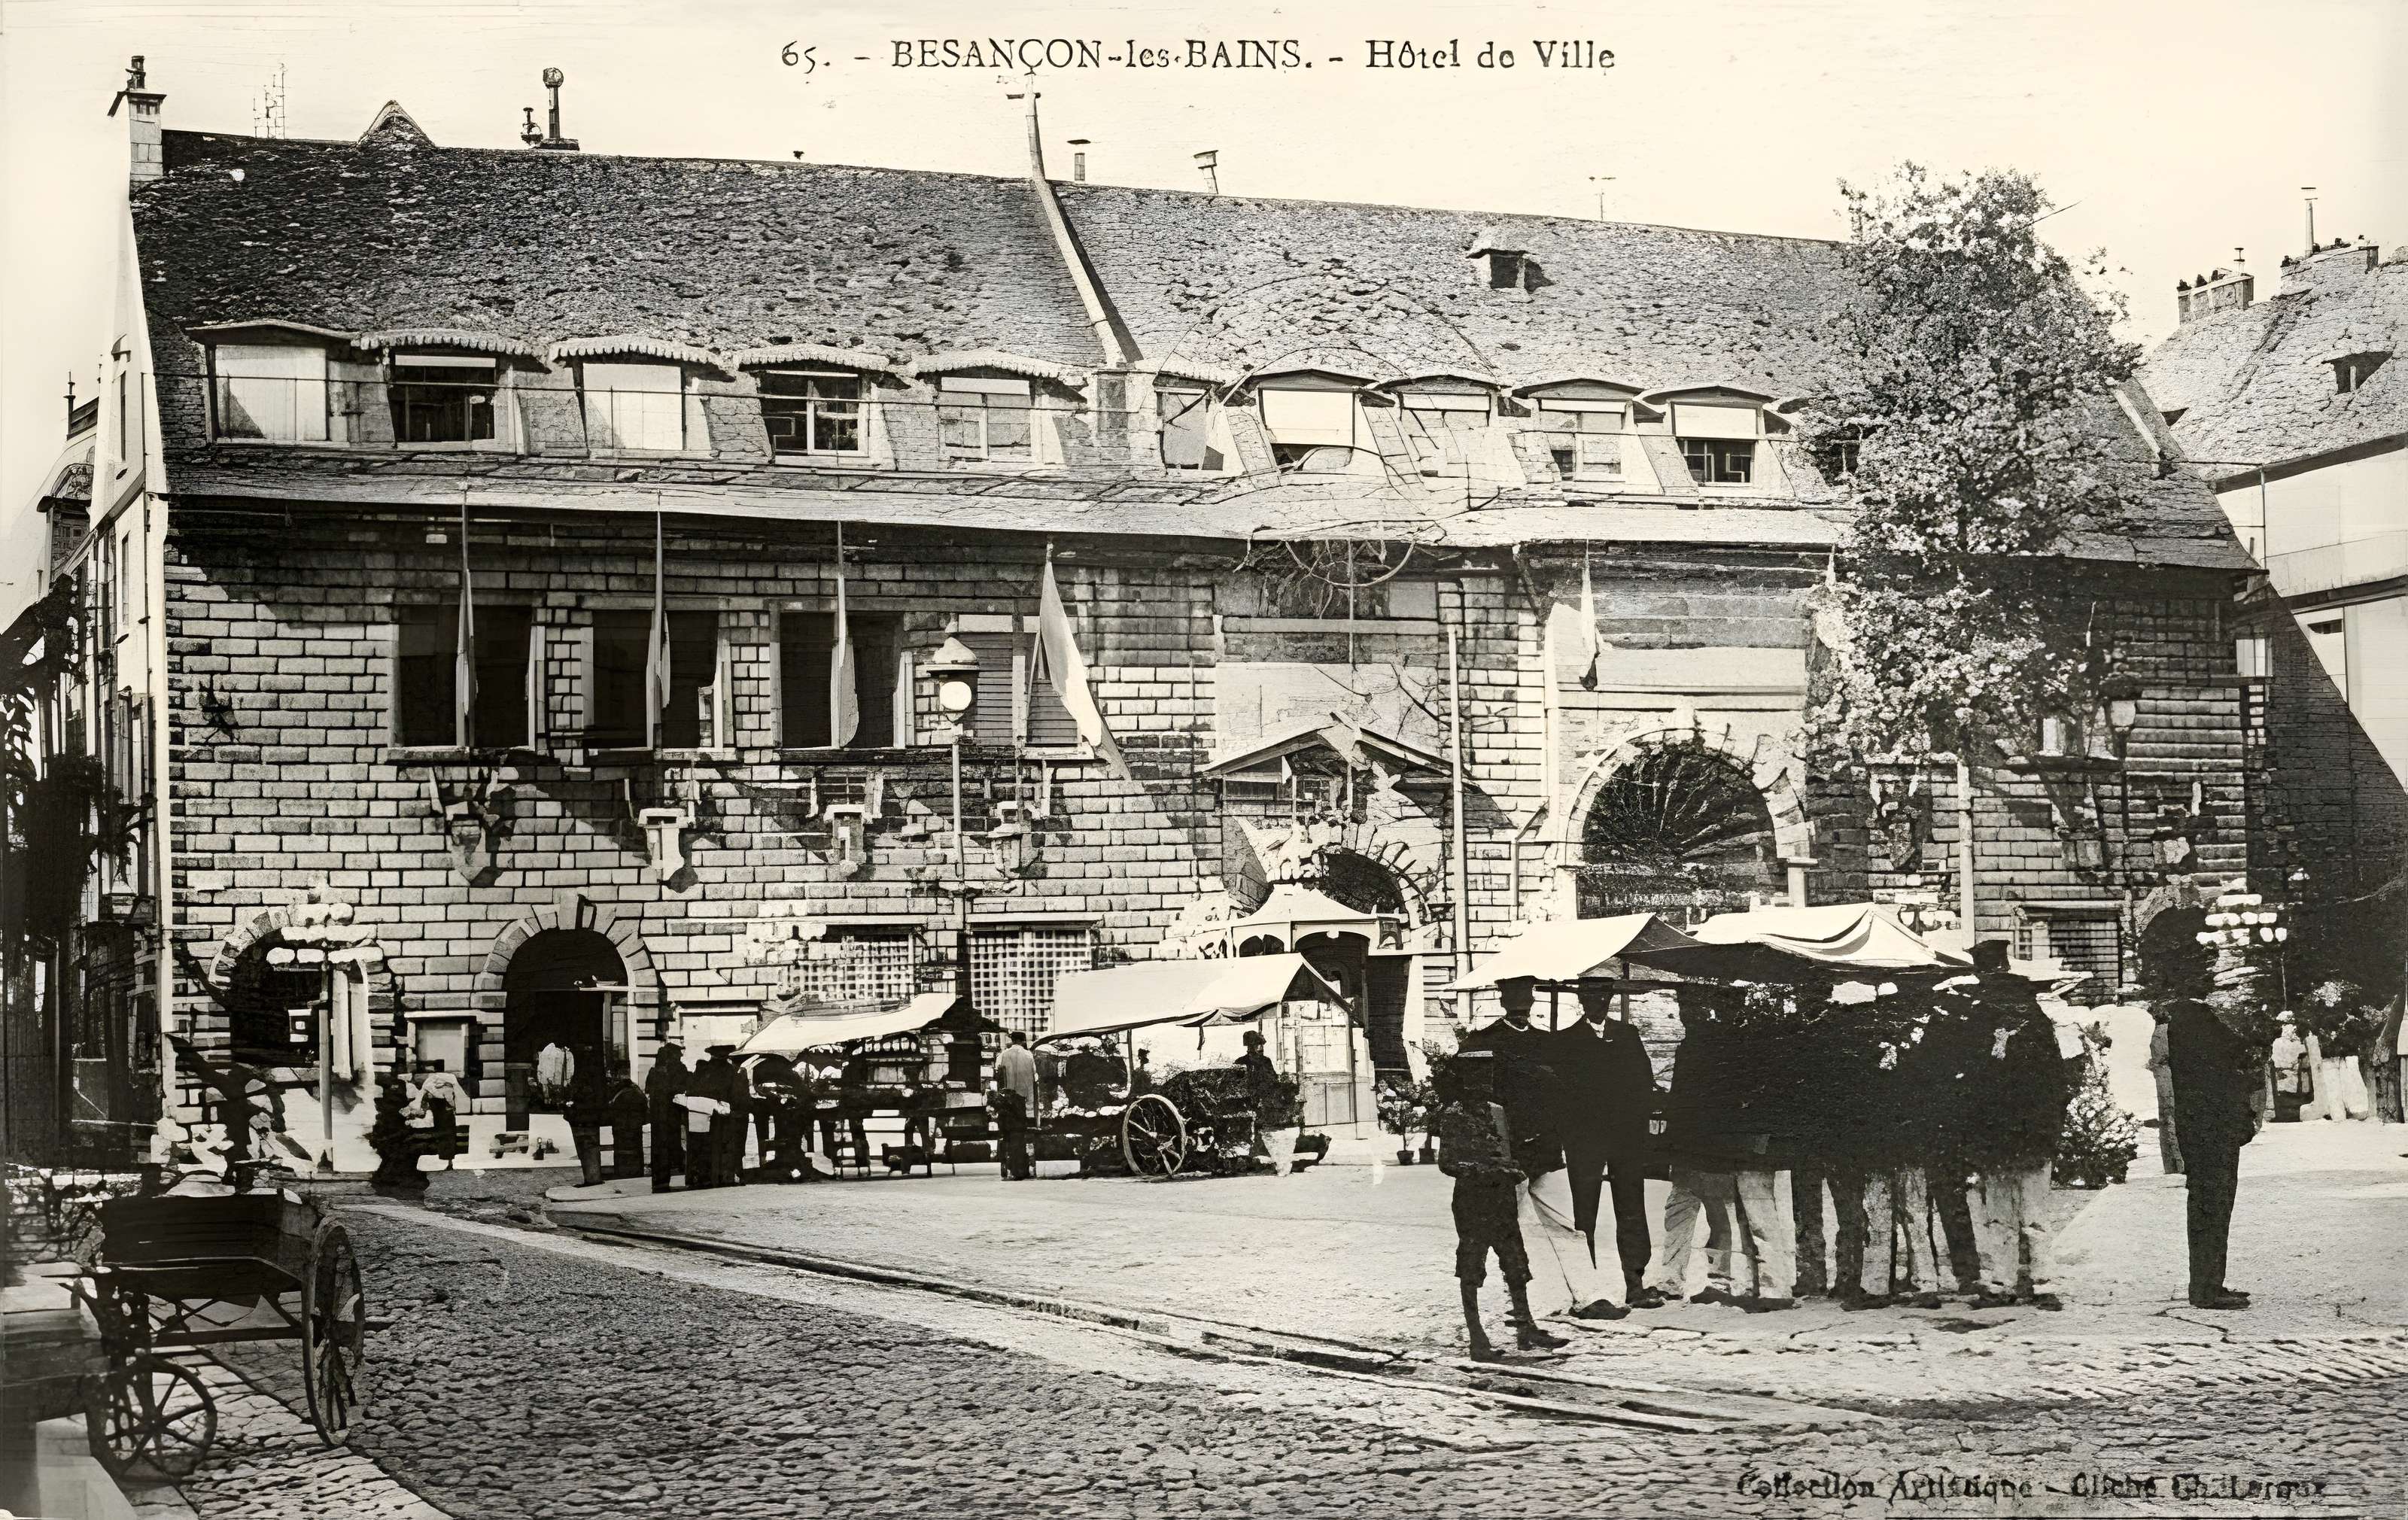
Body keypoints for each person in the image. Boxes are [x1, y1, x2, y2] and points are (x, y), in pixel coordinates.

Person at [1956, 941, 2080, 1309]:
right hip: (2032, 1134)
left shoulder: (1976, 1023)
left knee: (2000, 1215)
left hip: (1997, 1136)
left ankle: (2002, 1283)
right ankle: (2040, 1284)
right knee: (2034, 1215)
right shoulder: (2036, 1021)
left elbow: (1967, 1086)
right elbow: (2058, 1083)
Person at [1435, 1049, 1567, 1361]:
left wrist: (1515, 1168)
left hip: (1501, 1199)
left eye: (1487, 1076)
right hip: (1473, 1200)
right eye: (1476, 1077)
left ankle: (1525, 1329)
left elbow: (1505, 1152)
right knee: (1472, 1266)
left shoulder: (1497, 1111)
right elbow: (1447, 1162)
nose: (1483, 1083)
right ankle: (1477, 1338)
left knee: (1516, 1263)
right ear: (1465, 1079)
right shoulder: (1455, 1114)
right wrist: (1487, 1171)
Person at [1552, 981, 1663, 1317]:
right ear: (1581, 1001)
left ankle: (1635, 1284)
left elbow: (1644, 1081)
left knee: (1631, 1208)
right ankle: (1588, 1290)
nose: (1596, 1003)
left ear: (1610, 999)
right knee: (1584, 1212)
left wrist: (1636, 1120)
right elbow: (1560, 1093)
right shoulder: (1565, 1041)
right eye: (1589, 998)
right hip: (1585, 1140)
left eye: (1602, 997)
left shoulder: (1627, 1035)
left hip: (1625, 1138)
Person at [2163, 943, 2259, 1311]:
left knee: (2211, 1204)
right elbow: (2225, 1070)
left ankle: (2209, 1283)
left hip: (2202, 1125)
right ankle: (2206, 1289)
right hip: (2211, 1126)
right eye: (2204, 971)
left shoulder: (2185, 1017)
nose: (2210, 977)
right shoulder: (2196, 1019)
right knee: (2212, 1205)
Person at [1643, 993, 1744, 1306]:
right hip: (1689, 1149)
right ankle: (1672, 1280)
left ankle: (1719, 1281)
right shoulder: (1688, 1047)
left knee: (1716, 1214)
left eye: (1695, 1010)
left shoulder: (1723, 1048)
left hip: (1711, 1149)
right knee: (1679, 1213)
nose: (1689, 1017)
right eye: (1685, 1011)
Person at [991, 1030, 1039, 1181]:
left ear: (1012, 1040)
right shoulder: (1029, 1055)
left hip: (1008, 1102)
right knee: (1023, 1135)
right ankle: (1023, 1167)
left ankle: (1010, 1166)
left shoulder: (1003, 1055)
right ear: (1023, 1041)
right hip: (1025, 1101)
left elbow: (997, 1076)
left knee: (1009, 1135)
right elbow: (1035, 1077)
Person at [646, 1041, 689, 1190]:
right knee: (672, 1144)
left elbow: (649, 1091)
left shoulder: (653, 1071)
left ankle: (659, 1181)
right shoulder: (678, 1069)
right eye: (678, 1054)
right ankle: (674, 1169)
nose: (680, 1056)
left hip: (658, 1115)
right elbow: (684, 1087)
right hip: (672, 1114)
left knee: (658, 1146)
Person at [2147, 1011, 2185, 1173]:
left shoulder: (2158, 1033)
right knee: (2173, 1120)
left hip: (2164, 1080)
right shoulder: (2165, 1032)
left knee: (2167, 1120)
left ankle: (2171, 1166)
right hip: (2169, 1080)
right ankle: (2179, 1163)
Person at [412, 1059, 469, 1169]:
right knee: (449, 1133)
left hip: (437, 1110)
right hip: (447, 1108)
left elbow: (421, 1093)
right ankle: (449, 1161)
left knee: (439, 1132)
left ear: (434, 1068)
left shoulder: (431, 1079)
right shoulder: (450, 1077)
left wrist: (417, 1106)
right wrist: (455, 1106)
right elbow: (460, 1093)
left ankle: (443, 1158)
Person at [564, 1056, 610, 1187]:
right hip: (591, 1123)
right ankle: (594, 1178)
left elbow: (578, 1105)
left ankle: (591, 1179)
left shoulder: (581, 1090)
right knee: (592, 1150)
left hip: (581, 1123)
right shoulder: (597, 1086)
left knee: (585, 1151)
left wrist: (570, 1108)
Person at [605, 1066, 648, 1180]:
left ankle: (622, 1172)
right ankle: (636, 1172)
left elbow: (610, 1109)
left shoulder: (617, 1092)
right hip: (635, 1127)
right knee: (635, 1150)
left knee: (621, 1151)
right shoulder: (637, 1091)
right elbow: (645, 1109)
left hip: (621, 1127)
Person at [536, 1038, 576, 1111]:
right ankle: (554, 1103)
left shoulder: (547, 1052)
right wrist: (568, 1078)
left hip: (552, 1077)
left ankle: (551, 1104)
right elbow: (570, 1068)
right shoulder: (561, 1053)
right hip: (556, 1077)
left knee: (551, 1090)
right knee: (555, 1090)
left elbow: (543, 1066)